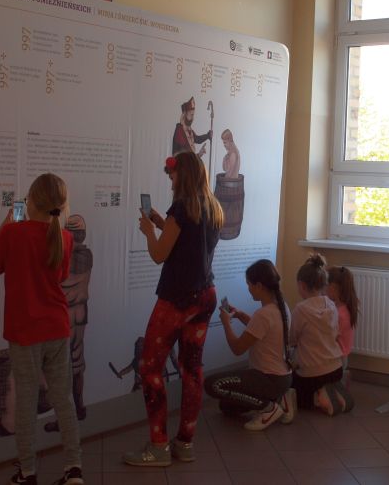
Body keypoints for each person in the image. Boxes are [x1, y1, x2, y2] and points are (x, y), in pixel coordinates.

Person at [123, 151, 223, 467]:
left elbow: (159, 254)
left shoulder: (180, 208)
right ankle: (185, 443)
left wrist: (149, 231)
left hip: (176, 300)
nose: (170, 180)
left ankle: (158, 446)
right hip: (205, 296)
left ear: (184, 174)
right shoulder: (213, 207)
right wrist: (160, 222)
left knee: (150, 368)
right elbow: (189, 242)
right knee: (192, 369)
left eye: (172, 174)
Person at [0, 173, 83, 485]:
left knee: (25, 402)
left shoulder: (14, 233)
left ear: (30, 202)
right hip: (57, 328)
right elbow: (61, 275)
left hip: (25, 332)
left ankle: (27, 472)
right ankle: (74, 468)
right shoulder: (64, 237)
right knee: (63, 399)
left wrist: (7, 223)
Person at [204, 259, 296, 430]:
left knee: (212, 385)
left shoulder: (264, 314)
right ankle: (280, 397)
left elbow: (237, 349)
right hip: (283, 377)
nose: (248, 289)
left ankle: (269, 408)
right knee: (226, 406)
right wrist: (239, 315)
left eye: (249, 284)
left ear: (259, 286)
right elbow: (262, 330)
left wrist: (226, 323)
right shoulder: (281, 306)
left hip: (268, 378)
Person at [45, 214, 93, 432]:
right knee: (76, 362)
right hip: (80, 314)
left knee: (61, 366)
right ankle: (79, 407)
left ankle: (63, 418)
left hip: (65, 315)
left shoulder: (66, 256)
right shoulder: (87, 255)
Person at [290, 254, 353, 416]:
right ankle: (334, 390)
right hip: (336, 368)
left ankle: (319, 398)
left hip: (312, 374)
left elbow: (292, 339)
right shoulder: (331, 305)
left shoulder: (301, 309)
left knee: (293, 390)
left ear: (301, 285)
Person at [326, 266, 359, 370]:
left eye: (325, 285)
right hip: (342, 356)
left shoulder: (339, 314)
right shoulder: (345, 307)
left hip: (337, 359)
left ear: (334, 288)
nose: (323, 289)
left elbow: (329, 337)